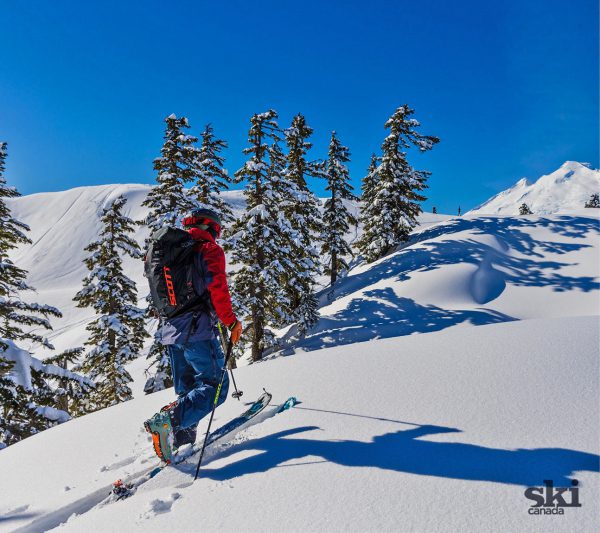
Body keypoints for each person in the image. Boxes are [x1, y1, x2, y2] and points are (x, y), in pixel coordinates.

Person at [144, 208, 243, 462]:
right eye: (218, 231)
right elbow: (218, 289)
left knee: (188, 392)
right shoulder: (208, 250)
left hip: (171, 332)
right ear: (211, 227)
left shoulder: (175, 251)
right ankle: (169, 421)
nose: (218, 237)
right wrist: (231, 323)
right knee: (215, 388)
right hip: (197, 330)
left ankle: (180, 446)